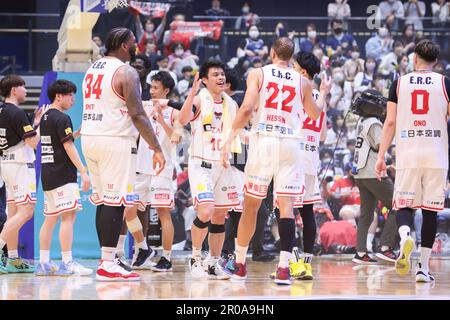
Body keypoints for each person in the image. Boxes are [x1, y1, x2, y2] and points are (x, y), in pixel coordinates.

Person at [218, 37, 331, 285]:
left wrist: (230, 137)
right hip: (292, 145)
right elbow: (314, 114)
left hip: (265, 141)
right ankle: (283, 269)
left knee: (251, 205)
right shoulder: (302, 81)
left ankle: (239, 263)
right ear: (290, 57)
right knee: (287, 207)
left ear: (271, 53)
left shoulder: (258, 73)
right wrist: (319, 96)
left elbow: (246, 108)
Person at [80, 27, 165, 281]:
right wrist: (156, 147)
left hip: (91, 138)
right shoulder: (126, 72)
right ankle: (108, 263)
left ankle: (109, 258)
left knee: (105, 200)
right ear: (125, 46)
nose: (136, 46)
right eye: (133, 42)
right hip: (114, 140)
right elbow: (138, 114)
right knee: (116, 202)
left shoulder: (93, 68)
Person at [376, 39, 450, 282]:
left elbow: (389, 122)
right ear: (436, 62)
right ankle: (423, 269)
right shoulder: (445, 83)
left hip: (408, 151)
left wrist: (381, 155)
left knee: (404, 204)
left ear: (415, 58)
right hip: (436, 153)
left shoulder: (398, 84)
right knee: (430, 211)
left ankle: (406, 233)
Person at [177, 60, 241, 279]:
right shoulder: (199, 99)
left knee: (220, 216)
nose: (221, 77)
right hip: (201, 163)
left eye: (222, 74)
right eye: (215, 74)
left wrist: (235, 159)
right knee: (205, 211)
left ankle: (213, 262)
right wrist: (191, 93)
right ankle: (195, 258)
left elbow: (237, 133)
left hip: (224, 165)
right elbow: (183, 119)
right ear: (204, 80)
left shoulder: (231, 103)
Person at [35, 80, 92, 276]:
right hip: (63, 176)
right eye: (70, 95)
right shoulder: (62, 118)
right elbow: (67, 147)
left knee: (49, 220)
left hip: (48, 176)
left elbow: (56, 141)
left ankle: (43, 263)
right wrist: (83, 172)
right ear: (59, 96)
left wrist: (75, 134)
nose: (73, 100)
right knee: (68, 218)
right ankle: (67, 262)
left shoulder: (44, 117)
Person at [129, 71, 181, 272]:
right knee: (129, 211)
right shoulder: (144, 106)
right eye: (150, 87)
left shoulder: (174, 111)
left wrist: (160, 119)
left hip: (162, 168)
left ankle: (166, 258)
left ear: (166, 91)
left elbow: (176, 138)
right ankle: (143, 248)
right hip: (141, 167)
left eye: (156, 88)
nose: (151, 91)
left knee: (162, 214)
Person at [290, 51, 328, 280]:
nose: (291, 69)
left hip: (294, 157)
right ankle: (307, 263)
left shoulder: (296, 91)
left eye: (294, 66)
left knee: (285, 209)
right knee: (307, 212)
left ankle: (293, 263)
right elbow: (322, 135)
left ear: (303, 72)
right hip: (312, 159)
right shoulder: (319, 96)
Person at [0, 75, 44, 273]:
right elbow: (32, 143)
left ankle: (14, 259)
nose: (26, 91)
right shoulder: (17, 113)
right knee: (26, 212)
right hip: (20, 165)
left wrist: (33, 124)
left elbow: (20, 135)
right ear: (14, 90)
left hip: (6, 164)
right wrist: (42, 126)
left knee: (14, 213)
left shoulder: (3, 110)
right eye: (23, 87)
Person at [351, 89, 398, 265]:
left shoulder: (362, 121)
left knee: (366, 215)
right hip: (372, 172)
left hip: (360, 173)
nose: (382, 105)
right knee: (397, 204)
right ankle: (386, 247)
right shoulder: (374, 122)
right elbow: (380, 145)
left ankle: (361, 252)